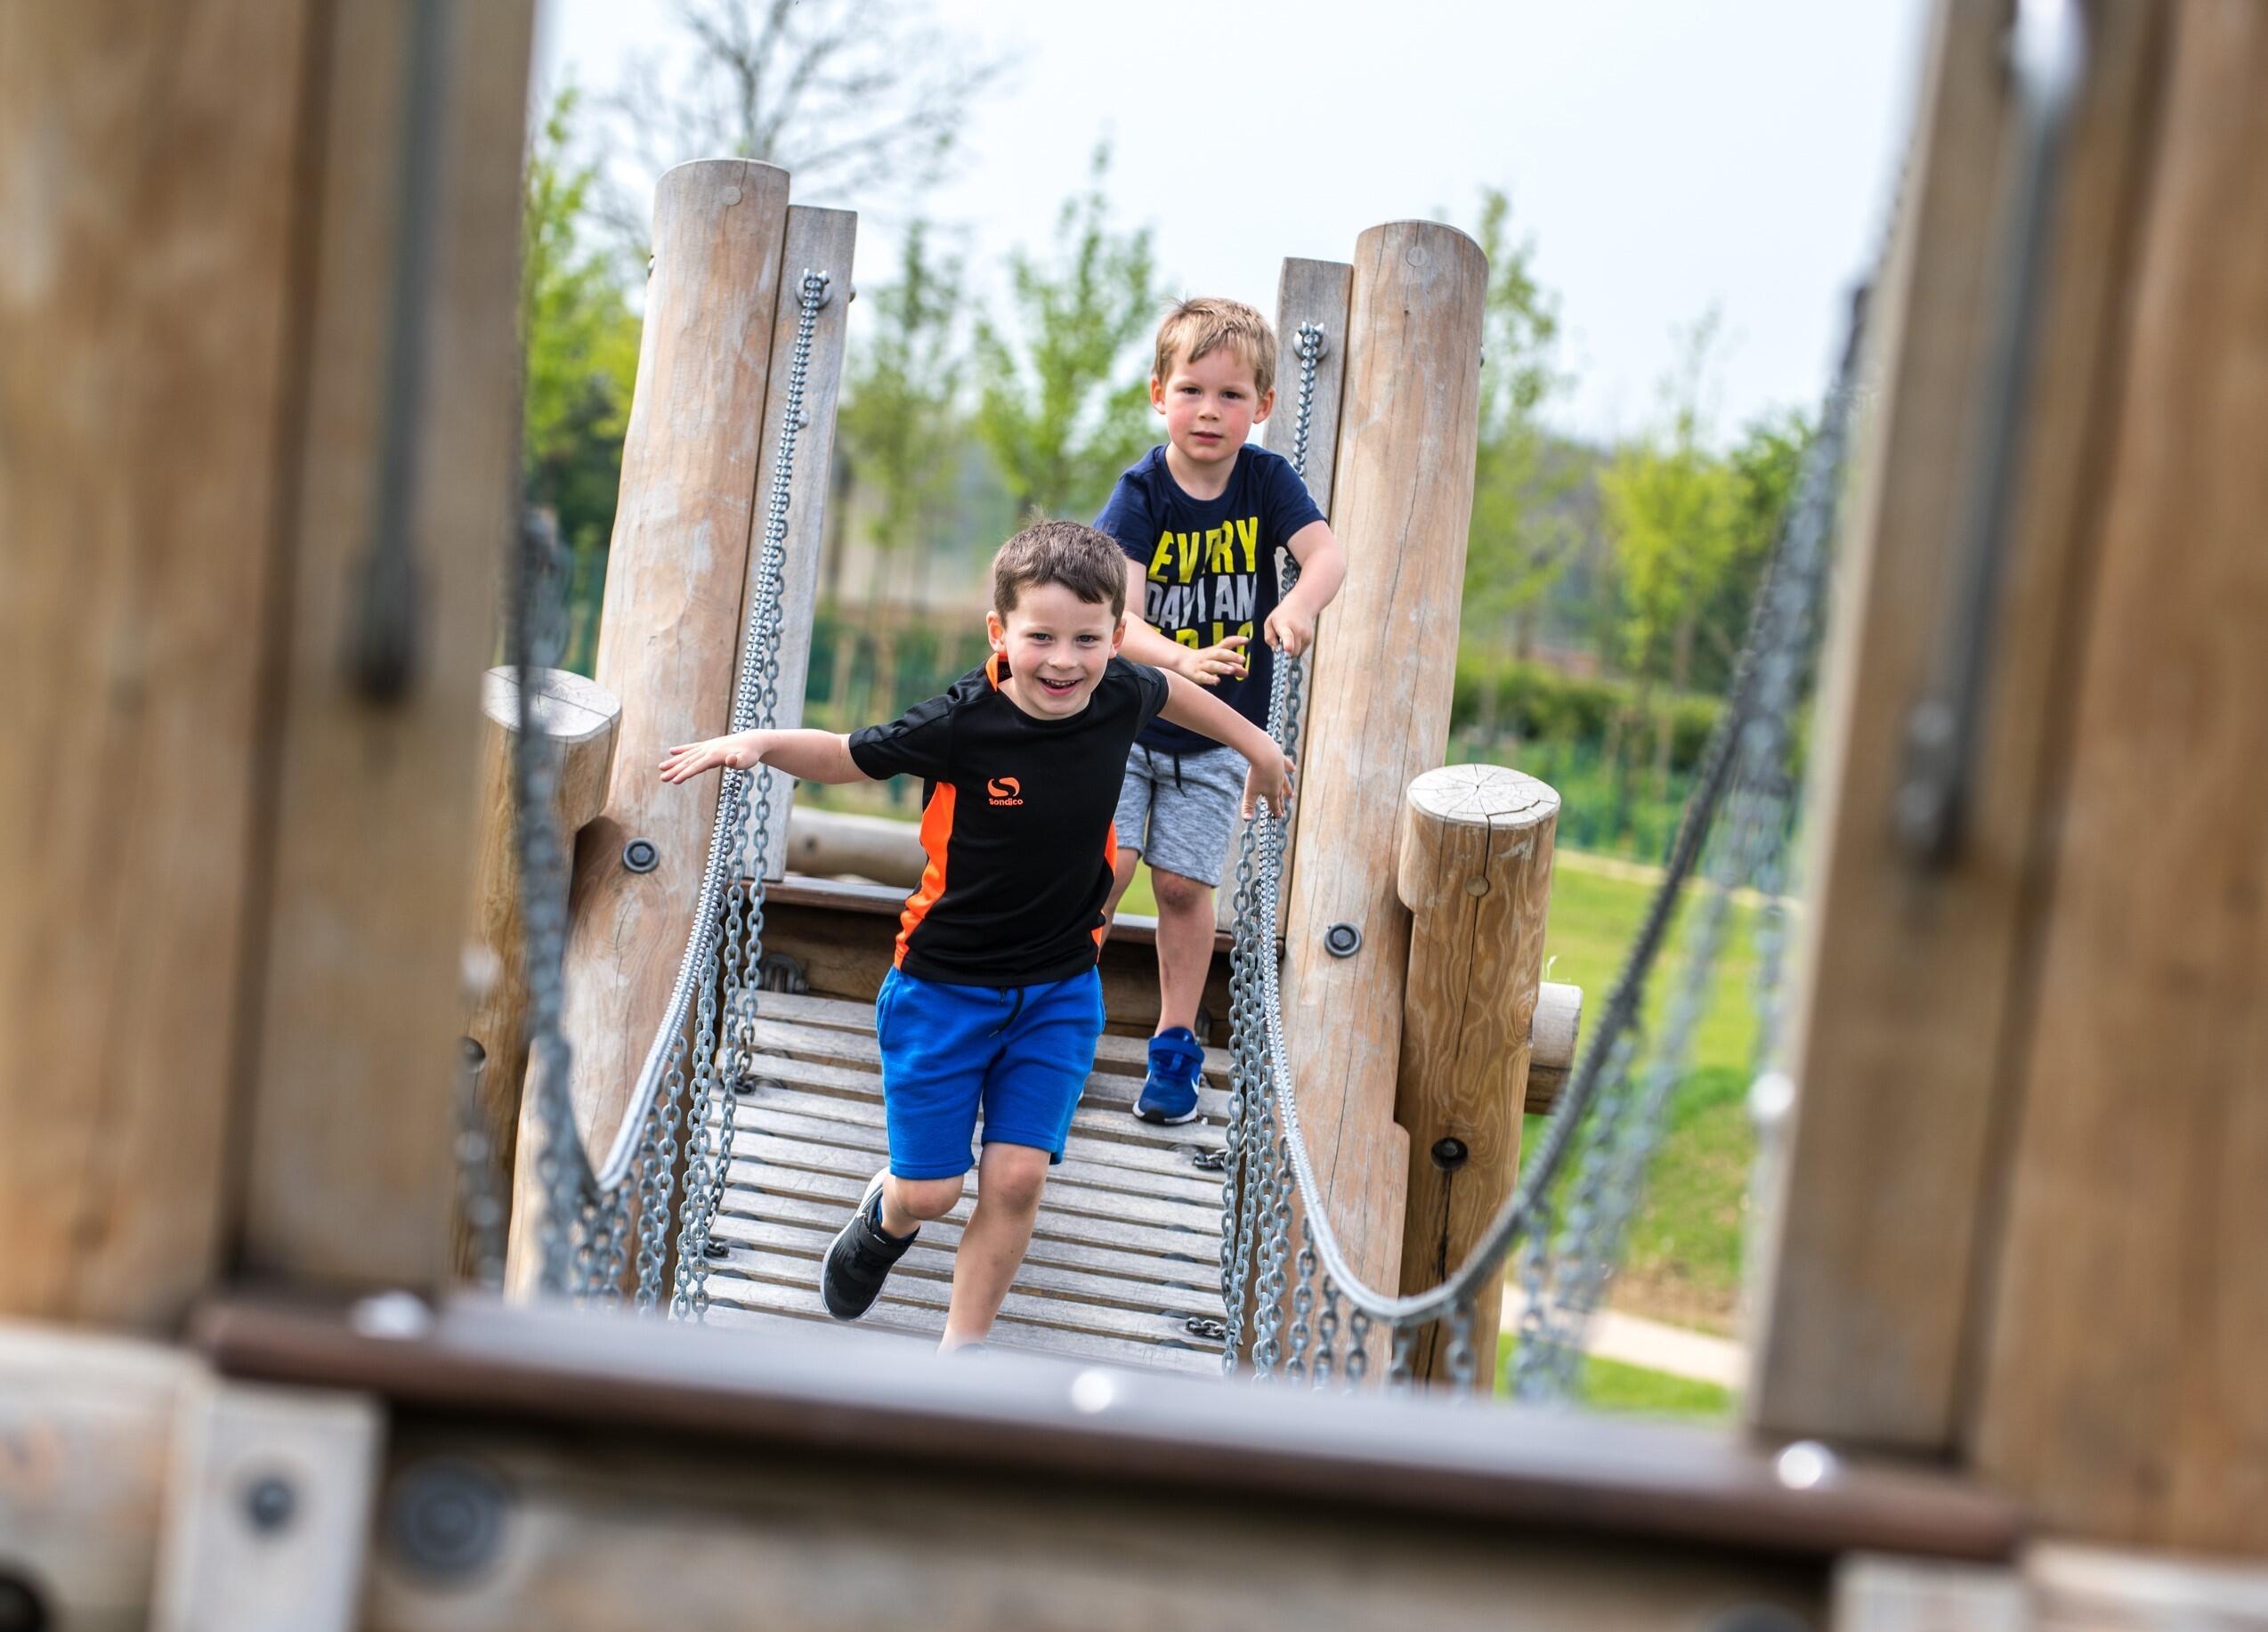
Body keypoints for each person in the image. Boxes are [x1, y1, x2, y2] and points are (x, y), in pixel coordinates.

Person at [658, 520, 1292, 1352]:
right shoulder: (963, 722)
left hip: (1061, 987)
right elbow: (851, 754)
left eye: (1088, 639)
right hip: (942, 987)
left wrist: (1258, 745)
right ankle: (885, 1218)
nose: (1064, 660)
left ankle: (962, 1357)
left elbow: (1176, 695)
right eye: (1041, 638)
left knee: (1019, 1177)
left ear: (1116, 637)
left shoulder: (1120, 692)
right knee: (931, 1190)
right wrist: (761, 744)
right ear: (1000, 633)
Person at [1094, 297, 1347, 1125]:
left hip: (1212, 741)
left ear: (1264, 407)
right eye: (1192, 390)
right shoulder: (1142, 491)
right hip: (1126, 725)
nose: (1210, 411)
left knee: (1179, 883)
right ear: (1158, 394)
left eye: (1232, 395)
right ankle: (1053, 1018)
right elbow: (1119, 622)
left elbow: (1326, 553)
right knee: (1108, 867)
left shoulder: (1264, 480)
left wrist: (1301, 605)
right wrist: (1178, 658)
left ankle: (1174, 1042)